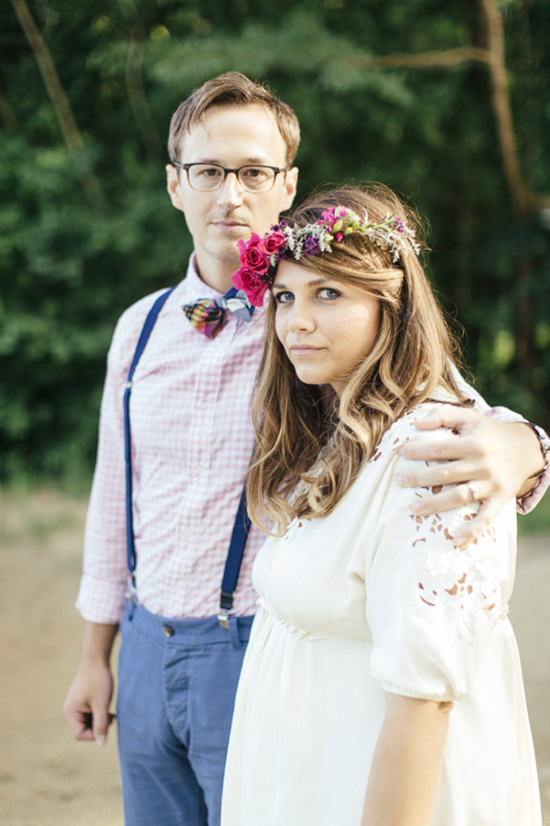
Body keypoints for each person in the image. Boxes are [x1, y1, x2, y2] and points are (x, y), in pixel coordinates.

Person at [62, 73, 549, 826]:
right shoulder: (140, 328)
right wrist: (97, 655)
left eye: (254, 171)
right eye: (208, 171)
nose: (231, 194)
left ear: (286, 184)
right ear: (174, 185)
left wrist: (530, 444)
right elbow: (114, 494)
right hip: (145, 642)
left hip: (259, 637)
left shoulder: (325, 316)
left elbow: (443, 402)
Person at [220, 185, 543, 826]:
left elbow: (423, 700)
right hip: (310, 779)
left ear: (389, 304)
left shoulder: (438, 454)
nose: (296, 321)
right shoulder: (337, 426)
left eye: (328, 294)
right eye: (285, 296)